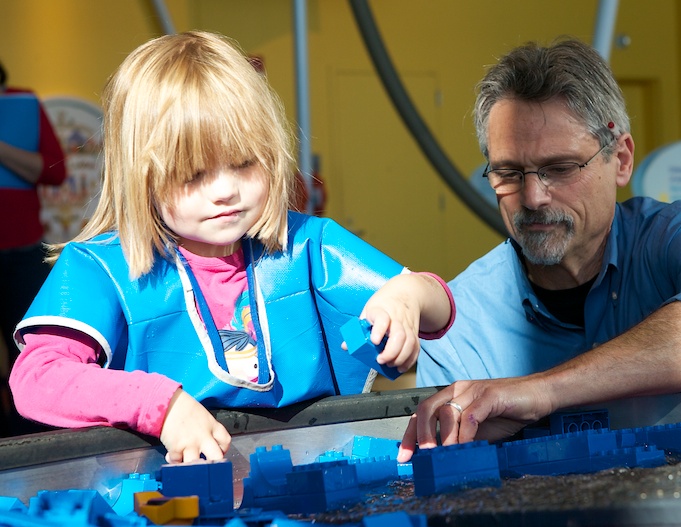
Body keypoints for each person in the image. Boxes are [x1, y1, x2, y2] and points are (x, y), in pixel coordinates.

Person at [8, 31, 454, 463]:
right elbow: (36, 378)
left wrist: (407, 298)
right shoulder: (99, 269)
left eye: (244, 163)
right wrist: (159, 405)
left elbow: (441, 308)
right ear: (140, 176)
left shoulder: (305, 244)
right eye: (194, 173)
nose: (225, 191)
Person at [397, 38, 681, 462]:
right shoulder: (459, 329)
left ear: (620, 159)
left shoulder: (675, 237)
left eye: (560, 168)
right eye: (508, 173)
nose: (533, 197)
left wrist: (540, 391)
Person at [0, 60, 67, 436]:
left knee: (28, 353)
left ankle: (28, 441)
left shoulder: (22, 104)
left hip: (24, 251)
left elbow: (55, 172)